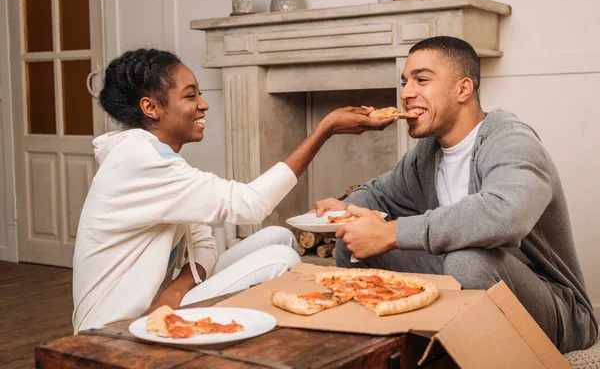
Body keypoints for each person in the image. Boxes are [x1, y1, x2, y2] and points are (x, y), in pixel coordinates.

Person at [72, 48, 396, 333]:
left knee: (278, 237)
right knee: (280, 256)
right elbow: (250, 204)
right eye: (190, 95)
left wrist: (174, 293)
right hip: (115, 325)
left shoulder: (158, 158)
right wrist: (323, 131)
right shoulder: (138, 159)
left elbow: (204, 242)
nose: (204, 104)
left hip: (159, 302)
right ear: (151, 108)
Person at [314, 36, 598, 353]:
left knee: (469, 263)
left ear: (463, 89)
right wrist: (346, 210)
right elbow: (378, 194)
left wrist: (391, 232)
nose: (406, 93)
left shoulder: (512, 140)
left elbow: (506, 215)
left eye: (422, 80)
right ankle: (383, 350)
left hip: (557, 309)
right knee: (353, 238)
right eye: (405, 82)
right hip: (472, 283)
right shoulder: (427, 153)